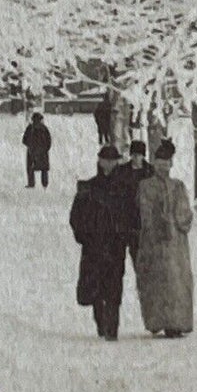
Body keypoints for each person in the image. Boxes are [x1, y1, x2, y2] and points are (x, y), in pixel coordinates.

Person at [69, 145, 139, 340]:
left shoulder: (125, 189)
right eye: (105, 160)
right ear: (99, 161)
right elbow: (76, 216)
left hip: (116, 245)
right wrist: (83, 236)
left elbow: (133, 215)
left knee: (114, 286)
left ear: (117, 162)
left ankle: (112, 327)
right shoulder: (89, 187)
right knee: (96, 287)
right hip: (94, 245)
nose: (108, 164)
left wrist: (126, 236)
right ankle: (101, 322)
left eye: (112, 160)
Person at [135, 139, 194, 338]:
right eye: (159, 162)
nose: (163, 166)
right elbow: (144, 212)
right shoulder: (145, 186)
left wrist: (176, 220)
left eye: (166, 162)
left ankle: (176, 323)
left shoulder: (178, 186)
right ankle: (157, 320)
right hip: (153, 241)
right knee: (155, 280)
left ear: (171, 164)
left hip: (175, 244)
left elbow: (185, 214)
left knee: (176, 281)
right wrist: (156, 224)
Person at [22, 111, 52, 188]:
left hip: (32, 152)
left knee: (30, 168)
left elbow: (24, 140)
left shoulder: (30, 128)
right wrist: (45, 149)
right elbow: (49, 140)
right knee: (44, 169)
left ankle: (31, 183)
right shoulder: (44, 128)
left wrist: (30, 146)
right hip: (42, 152)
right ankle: (45, 184)